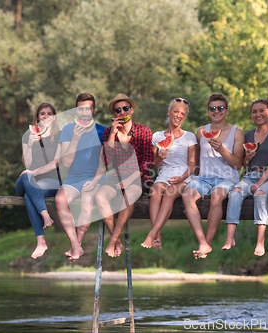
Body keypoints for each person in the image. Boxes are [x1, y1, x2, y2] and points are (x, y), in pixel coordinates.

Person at [19, 94, 106, 262]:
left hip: (95, 178)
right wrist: (75, 138)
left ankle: (76, 245)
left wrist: (95, 181)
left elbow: (103, 165)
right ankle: (75, 245)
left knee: (87, 200)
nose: (84, 112)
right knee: (60, 199)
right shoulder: (67, 130)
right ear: (76, 110)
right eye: (80, 108)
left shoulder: (103, 131)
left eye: (88, 108)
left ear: (93, 110)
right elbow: (65, 162)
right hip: (73, 178)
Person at [181, 93, 244, 259]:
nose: (217, 111)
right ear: (208, 112)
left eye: (221, 108)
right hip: (203, 178)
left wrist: (222, 150)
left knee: (217, 197)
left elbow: (238, 164)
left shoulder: (237, 132)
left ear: (227, 111)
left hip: (228, 178)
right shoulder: (201, 131)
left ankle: (206, 244)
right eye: (213, 108)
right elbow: (197, 160)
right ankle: (202, 241)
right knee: (187, 196)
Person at [223, 99, 268, 256]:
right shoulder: (248, 134)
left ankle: (260, 241)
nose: (258, 114)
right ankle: (230, 237)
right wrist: (248, 157)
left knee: (260, 194)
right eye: (254, 111)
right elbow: (244, 163)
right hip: (250, 175)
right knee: (235, 192)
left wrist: (260, 182)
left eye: (262, 110)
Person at [96, 93, 153, 257]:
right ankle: (117, 241)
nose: (122, 112)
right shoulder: (108, 133)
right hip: (116, 177)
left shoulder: (144, 131)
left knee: (130, 194)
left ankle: (113, 240)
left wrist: (129, 179)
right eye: (117, 110)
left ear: (132, 109)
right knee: (100, 196)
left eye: (125, 108)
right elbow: (107, 162)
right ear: (114, 114)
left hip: (138, 177)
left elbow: (147, 163)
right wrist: (113, 135)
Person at [141, 98, 197, 250]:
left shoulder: (189, 136)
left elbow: (192, 164)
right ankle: (158, 237)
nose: (179, 115)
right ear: (169, 112)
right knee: (154, 191)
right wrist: (161, 157)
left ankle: (151, 234)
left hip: (184, 175)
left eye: (182, 113)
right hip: (164, 174)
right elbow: (154, 166)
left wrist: (182, 177)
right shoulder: (157, 137)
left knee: (170, 192)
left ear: (185, 117)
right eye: (176, 111)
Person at [16, 102, 61, 259]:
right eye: (42, 113)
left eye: (49, 113)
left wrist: (34, 172)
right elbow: (26, 164)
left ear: (54, 117)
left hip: (52, 181)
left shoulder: (60, 135)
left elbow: (57, 161)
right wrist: (29, 144)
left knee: (29, 195)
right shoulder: (28, 135)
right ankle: (46, 216)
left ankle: (41, 242)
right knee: (26, 177)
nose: (46, 116)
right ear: (37, 116)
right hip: (29, 179)